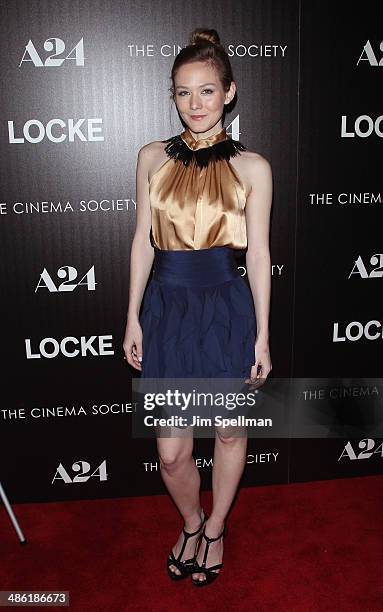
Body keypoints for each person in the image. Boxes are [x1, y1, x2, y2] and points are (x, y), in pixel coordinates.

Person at [123, 27, 272, 586]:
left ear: (229, 92)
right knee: (170, 452)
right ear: (173, 96)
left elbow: (259, 255)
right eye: (184, 93)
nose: (196, 104)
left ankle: (215, 528)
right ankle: (190, 520)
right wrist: (132, 315)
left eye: (207, 91)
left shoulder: (254, 168)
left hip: (227, 307)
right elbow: (142, 240)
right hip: (167, 308)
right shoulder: (150, 159)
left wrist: (261, 336)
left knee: (230, 432)